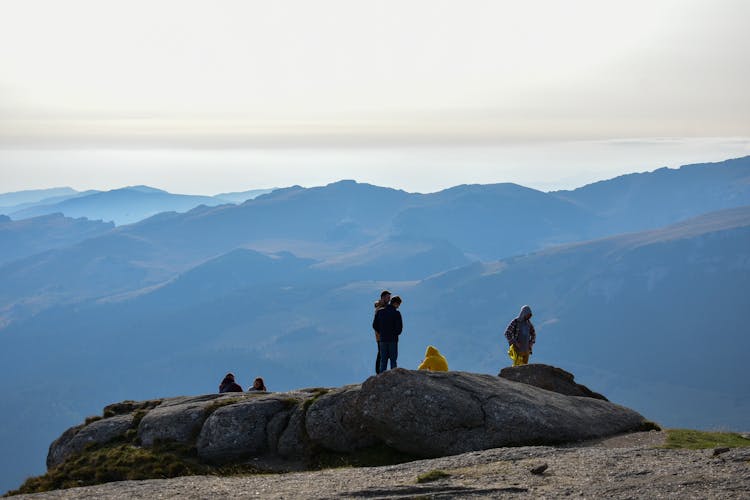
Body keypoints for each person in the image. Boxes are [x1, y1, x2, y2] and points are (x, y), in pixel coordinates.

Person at [373, 295, 403, 373]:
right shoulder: (397, 314)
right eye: (398, 305)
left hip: (383, 340)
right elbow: (399, 328)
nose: (398, 307)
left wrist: (381, 332)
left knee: (383, 361)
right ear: (396, 304)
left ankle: (381, 379)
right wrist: (395, 333)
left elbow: (374, 325)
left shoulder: (380, 312)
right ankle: (394, 379)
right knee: (393, 361)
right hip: (393, 340)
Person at [372, 290, 391, 374]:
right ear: (383, 298)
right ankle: (379, 371)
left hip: (383, 335)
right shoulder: (379, 308)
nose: (389, 299)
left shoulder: (384, 307)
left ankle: (380, 371)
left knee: (382, 353)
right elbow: (376, 323)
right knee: (381, 353)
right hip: (380, 335)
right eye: (388, 297)